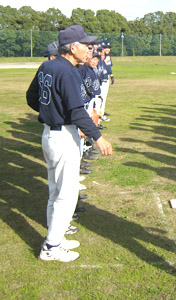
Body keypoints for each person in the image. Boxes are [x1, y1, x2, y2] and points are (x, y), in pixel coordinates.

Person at [26, 24, 113, 262]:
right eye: (85, 45)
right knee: (65, 194)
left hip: (50, 134)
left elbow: (31, 98)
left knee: (56, 192)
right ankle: (51, 246)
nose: (90, 49)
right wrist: (98, 136)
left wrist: (50, 112)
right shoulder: (68, 71)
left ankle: (57, 236)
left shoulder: (48, 65)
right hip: (63, 135)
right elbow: (76, 111)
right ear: (72, 47)